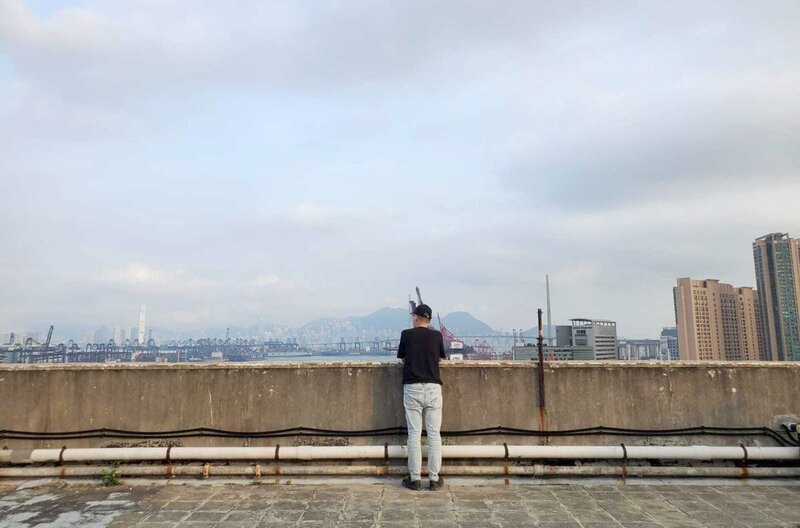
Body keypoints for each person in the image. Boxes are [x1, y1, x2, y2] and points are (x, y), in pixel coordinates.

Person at [396, 303, 446, 491]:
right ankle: (434, 479)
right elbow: (441, 358)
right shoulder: (437, 336)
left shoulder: (406, 334)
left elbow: (402, 358)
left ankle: (415, 478)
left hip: (412, 387)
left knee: (414, 435)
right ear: (430, 320)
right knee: (434, 435)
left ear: (416, 318)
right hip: (433, 387)